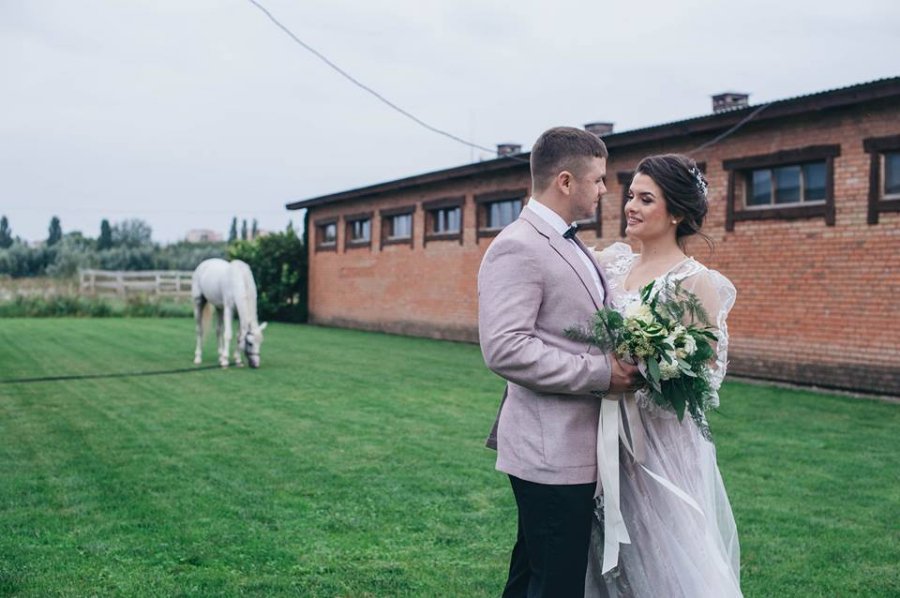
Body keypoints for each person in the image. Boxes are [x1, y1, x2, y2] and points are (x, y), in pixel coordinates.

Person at [478, 126, 640, 598]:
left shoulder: (568, 242)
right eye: (599, 179)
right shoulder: (518, 246)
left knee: (532, 575)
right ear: (565, 181)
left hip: (571, 446)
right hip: (549, 450)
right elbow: (506, 347)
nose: (605, 190)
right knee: (557, 584)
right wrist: (602, 374)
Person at [585, 154, 741, 596]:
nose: (630, 206)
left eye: (645, 199)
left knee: (660, 555)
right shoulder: (611, 264)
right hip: (599, 428)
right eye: (631, 195)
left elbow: (706, 378)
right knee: (599, 554)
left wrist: (649, 370)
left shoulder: (696, 282)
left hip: (660, 443)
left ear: (676, 213)